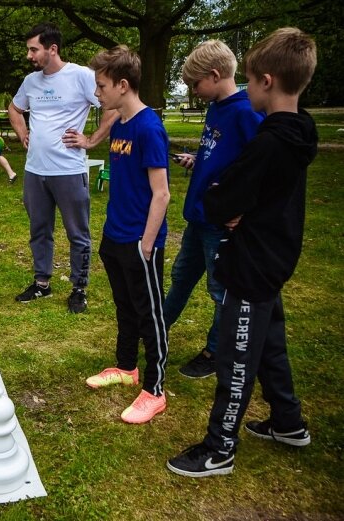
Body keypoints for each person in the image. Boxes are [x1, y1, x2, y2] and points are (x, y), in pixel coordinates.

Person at [167, 27, 317, 478]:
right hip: (273, 257)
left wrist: (230, 203)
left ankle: (219, 448)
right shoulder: (298, 128)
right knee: (270, 345)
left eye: (250, 80)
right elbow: (253, 191)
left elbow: (223, 199)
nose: (247, 88)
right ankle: (288, 423)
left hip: (252, 264)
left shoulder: (270, 140)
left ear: (266, 81)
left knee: (236, 358)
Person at [164, 41, 265, 379]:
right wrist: (198, 158)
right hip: (198, 216)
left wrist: (244, 209)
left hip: (221, 223)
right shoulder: (217, 106)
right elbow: (222, 154)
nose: (194, 91)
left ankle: (215, 351)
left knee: (220, 291)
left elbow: (259, 167)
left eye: (195, 84)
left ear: (215, 75)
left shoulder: (247, 110)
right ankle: (156, 328)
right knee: (181, 277)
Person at [84, 45, 170, 424]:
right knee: (124, 306)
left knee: (149, 315)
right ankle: (126, 367)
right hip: (114, 236)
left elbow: (161, 193)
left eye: (101, 86)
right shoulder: (118, 123)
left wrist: (147, 244)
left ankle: (154, 388)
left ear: (123, 84)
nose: (97, 93)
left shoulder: (149, 127)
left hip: (139, 242)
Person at [8, 22, 118, 314]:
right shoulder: (31, 82)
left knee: (77, 233)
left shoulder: (81, 76)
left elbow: (114, 106)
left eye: (34, 49)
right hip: (35, 171)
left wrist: (91, 140)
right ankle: (42, 283)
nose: (29, 55)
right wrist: (22, 134)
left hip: (69, 171)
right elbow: (14, 109)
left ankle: (79, 288)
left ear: (52, 48)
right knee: (39, 230)